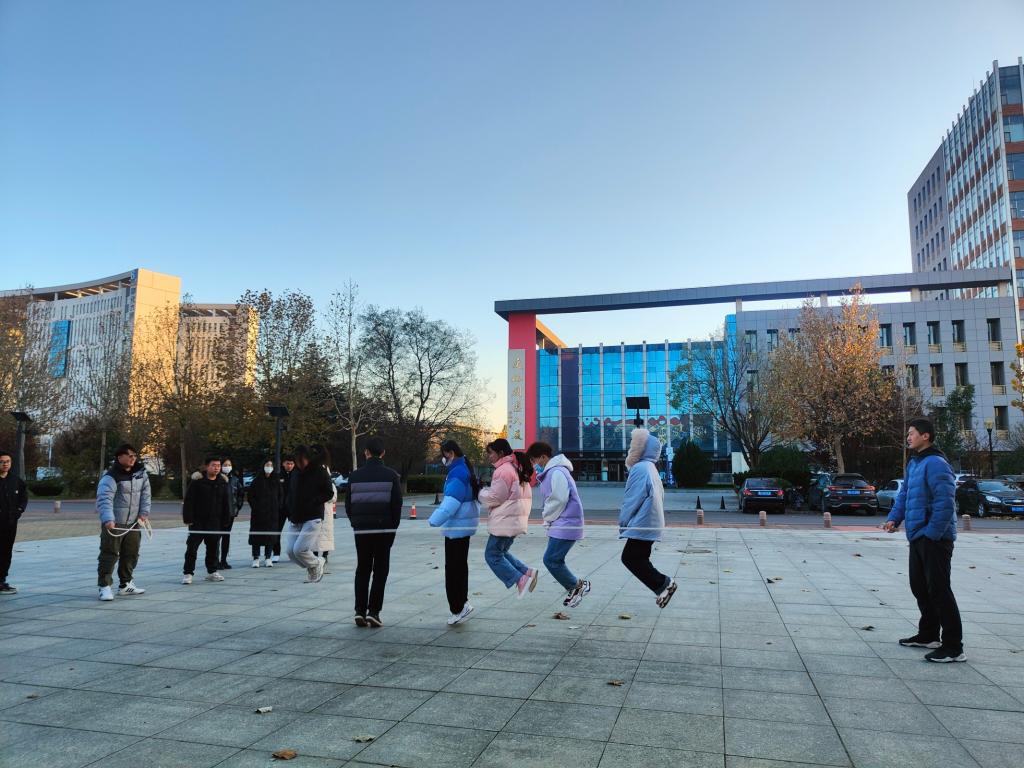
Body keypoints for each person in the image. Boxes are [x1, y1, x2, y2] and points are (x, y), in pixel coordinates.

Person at [884, 417, 965, 662]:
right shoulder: (915, 463)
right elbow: (905, 495)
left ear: (925, 436)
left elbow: (945, 503)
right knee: (920, 587)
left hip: (935, 538)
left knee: (939, 590)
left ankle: (954, 647)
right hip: (918, 536)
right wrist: (894, 518)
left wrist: (931, 534)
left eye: (911, 433)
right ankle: (929, 635)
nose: (908, 437)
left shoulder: (936, 463)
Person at [345, 436, 403, 627]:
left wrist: (356, 523)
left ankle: (359, 610)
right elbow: (396, 506)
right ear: (383, 453)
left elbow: (348, 506)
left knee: (362, 569)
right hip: (383, 529)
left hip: (361, 530)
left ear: (366, 453)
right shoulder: (391, 476)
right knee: (380, 570)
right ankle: (374, 611)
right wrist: (392, 529)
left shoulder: (354, 476)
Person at [526, 441, 590, 608]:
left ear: (543, 457)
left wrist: (546, 516)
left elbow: (558, 500)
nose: (533, 465)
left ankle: (577, 586)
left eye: (534, 460)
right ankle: (576, 586)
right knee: (555, 559)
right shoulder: (554, 472)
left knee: (551, 559)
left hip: (566, 523)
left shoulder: (556, 472)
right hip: (563, 522)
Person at [619, 427, 677, 608]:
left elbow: (632, 499)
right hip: (651, 522)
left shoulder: (640, 468)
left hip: (643, 523)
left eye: (633, 446)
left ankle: (665, 584)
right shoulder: (651, 468)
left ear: (640, 448)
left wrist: (623, 523)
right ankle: (662, 587)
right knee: (639, 558)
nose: (630, 449)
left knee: (630, 558)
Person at [429, 440, 480, 625]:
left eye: (444, 455)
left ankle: (457, 608)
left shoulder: (457, 472)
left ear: (450, 453)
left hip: (456, 526)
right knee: (459, 566)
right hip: (463, 525)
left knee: (453, 569)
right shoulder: (464, 468)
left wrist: (434, 520)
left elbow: (451, 502)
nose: (443, 459)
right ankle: (462, 603)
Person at [479, 439, 536, 598]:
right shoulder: (515, 467)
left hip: (504, 520)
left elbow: (495, 498)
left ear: (501, 453)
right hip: (514, 520)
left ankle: (520, 579)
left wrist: (480, 492)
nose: (489, 456)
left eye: (491, 453)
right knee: (501, 552)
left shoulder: (503, 470)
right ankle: (527, 572)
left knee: (492, 555)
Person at [95, 444, 151, 601]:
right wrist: (108, 519)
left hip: (133, 523)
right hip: (115, 523)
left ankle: (126, 584)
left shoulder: (141, 474)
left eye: (135, 455)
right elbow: (104, 498)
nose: (133, 458)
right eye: (129, 455)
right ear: (120, 457)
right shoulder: (111, 476)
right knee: (109, 554)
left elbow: (146, 494)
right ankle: (104, 586)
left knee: (131, 553)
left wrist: (144, 513)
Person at [282, 445, 333, 584]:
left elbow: (329, 492)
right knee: (290, 552)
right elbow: (291, 492)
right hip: (295, 516)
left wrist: (314, 501)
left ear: (308, 458)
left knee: (299, 550)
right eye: (298, 461)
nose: (300, 464)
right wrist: (289, 507)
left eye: (302, 460)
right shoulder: (295, 473)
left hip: (312, 516)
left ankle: (316, 563)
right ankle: (314, 565)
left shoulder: (320, 471)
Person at [182, 457, 231, 584]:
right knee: (192, 548)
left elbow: (226, 502)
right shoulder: (197, 482)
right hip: (198, 522)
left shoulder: (222, 482)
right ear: (206, 466)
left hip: (215, 522)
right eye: (213, 465)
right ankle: (188, 573)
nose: (216, 468)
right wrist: (188, 518)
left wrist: (226, 519)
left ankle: (212, 571)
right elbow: (189, 501)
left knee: (214, 548)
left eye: (218, 465)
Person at [0, 451, 28, 595]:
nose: (5, 464)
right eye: (2, 461)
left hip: (10, 523)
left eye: (7, 461)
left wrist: (19, 511)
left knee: (6, 551)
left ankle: (2, 581)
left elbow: (24, 497)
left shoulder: (16, 481)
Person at [248, 458, 281, 567]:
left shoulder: (276, 481)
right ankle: (256, 558)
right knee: (256, 536)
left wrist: (277, 506)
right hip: (258, 514)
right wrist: (256, 507)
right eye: (267, 465)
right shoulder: (256, 480)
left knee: (270, 537)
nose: (269, 467)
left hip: (272, 514)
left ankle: (268, 557)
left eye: (271, 465)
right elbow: (251, 496)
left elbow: (281, 495)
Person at [218, 458, 245, 569]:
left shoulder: (235, 479)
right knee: (216, 537)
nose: (227, 467)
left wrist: (237, 507)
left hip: (230, 513)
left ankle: (224, 560)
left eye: (229, 465)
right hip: (217, 513)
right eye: (225, 464)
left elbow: (240, 494)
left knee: (226, 536)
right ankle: (215, 560)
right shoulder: (217, 478)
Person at [315, 457, 337, 572]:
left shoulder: (331, 485)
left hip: (327, 513)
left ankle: (325, 554)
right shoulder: (313, 483)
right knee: (314, 535)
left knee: (326, 535)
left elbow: (333, 497)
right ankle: (314, 554)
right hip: (316, 512)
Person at [272, 455, 296, 563]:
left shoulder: (297, 474)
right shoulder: (278, 475)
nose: (289, 466)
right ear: (283, 463)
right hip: (280, 508)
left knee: (295, 532)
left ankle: (294, 553)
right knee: (276, 531)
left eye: (291, 464)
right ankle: (276, 553)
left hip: (293, 508)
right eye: (287, 463)